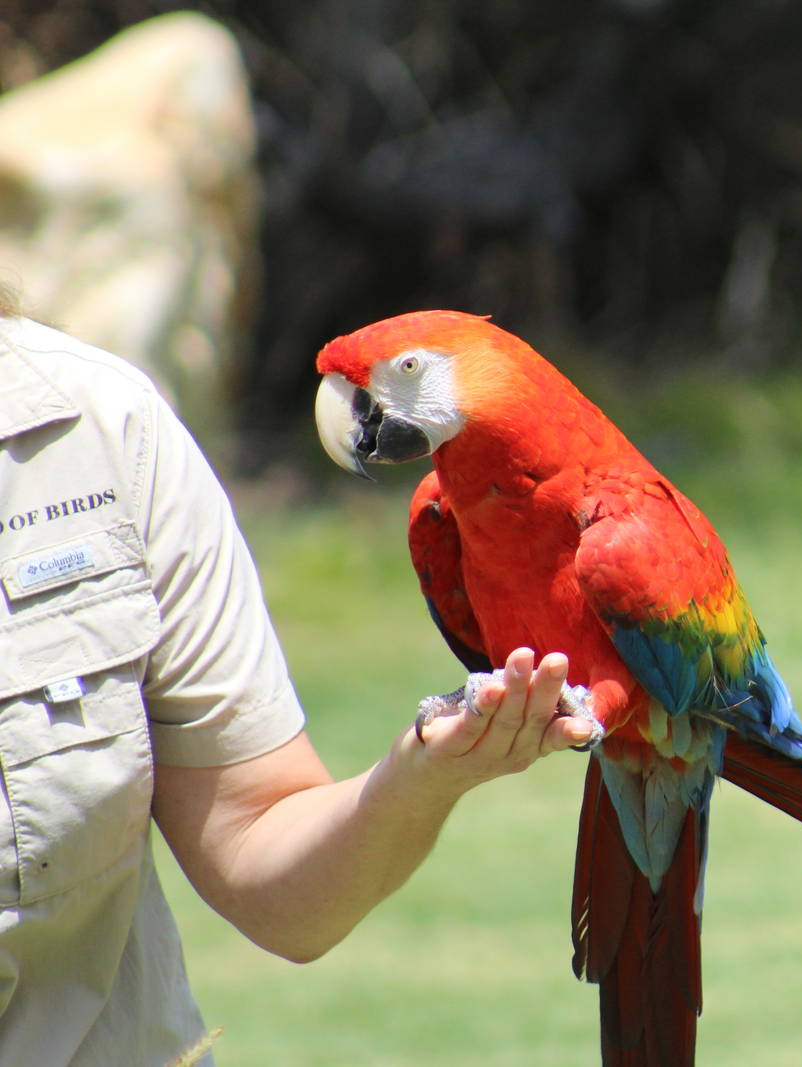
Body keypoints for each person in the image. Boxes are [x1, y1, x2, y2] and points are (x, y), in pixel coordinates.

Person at [0, 297, 596, 1065]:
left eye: (406, 371)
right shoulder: (440, 516)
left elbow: (261, 849)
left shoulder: (103, 429)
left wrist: (420, 777)